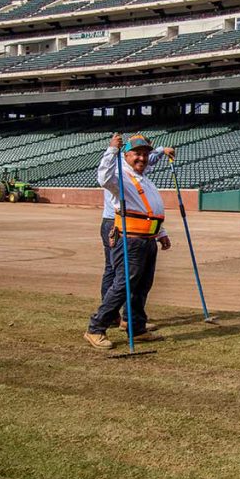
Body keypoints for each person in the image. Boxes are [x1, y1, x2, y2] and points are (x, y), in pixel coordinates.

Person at [84, 133, 172, 350]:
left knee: (142, 286)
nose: (141, 158)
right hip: (131, 240)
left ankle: (136, 327)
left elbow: (149, 211)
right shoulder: (120, 177)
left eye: (145, 154)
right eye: (136, 154)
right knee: (123, 285)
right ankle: (96, 328)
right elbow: (103, 178)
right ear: (126, 155)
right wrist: (112, 149)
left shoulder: (143, 178)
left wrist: (161, 233)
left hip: (148, 239)